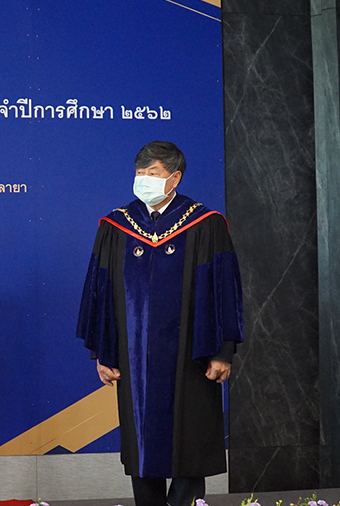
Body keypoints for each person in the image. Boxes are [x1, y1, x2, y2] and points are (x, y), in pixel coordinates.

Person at [76, 141, 244, 506]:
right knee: (141, 441)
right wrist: (104, 353)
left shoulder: (205, 224)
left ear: (175, 178)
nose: (144, 180)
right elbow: (101, 292)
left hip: (191, 353)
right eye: (140, 173)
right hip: (134, 357)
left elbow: (224, 289)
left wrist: (223, 350)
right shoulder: (117, 226)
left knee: (191, 436)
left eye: (152, 173)